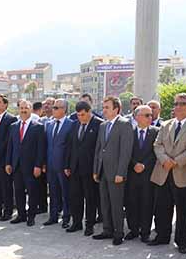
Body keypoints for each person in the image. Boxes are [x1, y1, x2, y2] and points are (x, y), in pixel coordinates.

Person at [148, 93, 186, 254]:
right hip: (163, 172)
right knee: (162, 208)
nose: (178, 106)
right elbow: (157, 145)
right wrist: (165, 160)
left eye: (183, 103)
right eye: (176, 103)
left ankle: (182, 241)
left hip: (183, 174)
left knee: (183, 211)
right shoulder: (166, 124)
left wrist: (175, 161)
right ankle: (162, 236)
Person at [92, 96, 134, 245]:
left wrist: (121, 173)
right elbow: (98, 149)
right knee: (104, 203)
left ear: (116, 109)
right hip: (103, 171)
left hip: (116, 173)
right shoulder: (103, 125)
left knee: (116, 204)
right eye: (103, 107)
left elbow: (126, 151)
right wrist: (96, 169)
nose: (103, 110)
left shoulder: (125, 124)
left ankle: (118, 232)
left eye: (107, 107)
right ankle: (107, 229)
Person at [64, 101, 103, 236]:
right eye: (78, 115)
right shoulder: (75, 125)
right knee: (75, 197)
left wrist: (97, 170)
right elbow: (70, 146)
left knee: (90, 198)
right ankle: (76, 223)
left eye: (83, 114)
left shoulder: (99, 124)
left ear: (89, 112)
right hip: (75, 168)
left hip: (90, 169)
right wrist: (67, 165)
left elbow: (100, 149)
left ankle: (90, 225)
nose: (81, 117)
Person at [5, 100, 45, 226]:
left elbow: (41, 148)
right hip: (16, 166)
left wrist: (38, 165)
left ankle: (31, 216)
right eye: (21, 108)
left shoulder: (38, 127)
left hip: (31, 166)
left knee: (32, 192)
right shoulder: (13, 126)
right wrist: (8, 163)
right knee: (18, 191)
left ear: (31, 109)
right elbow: (10, 147)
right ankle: (21, 215)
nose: (23, 110)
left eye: (26, 108)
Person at [125, 105, 159, 242]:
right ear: (136, 117)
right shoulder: (129, 133)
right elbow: (126, 152)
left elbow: (155, 152)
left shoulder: (156, 132)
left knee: (147, 203)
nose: (150, 117)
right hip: (132, 174)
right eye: (146, 115)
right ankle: (133, 230)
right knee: (131, 203)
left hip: (148, 174)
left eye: (150, 115)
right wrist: (134, 164)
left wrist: (144, 164)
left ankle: (145, 232)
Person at [44, 99, 75, 228]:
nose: (53, 109)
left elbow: (72, 147)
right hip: (50, 164)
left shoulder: (71, 124)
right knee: (53, 191)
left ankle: (67, 217)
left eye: (56, 107)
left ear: (64, 109)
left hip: (64, 165)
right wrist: (44, 163)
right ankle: (53, 216)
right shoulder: (49, 124)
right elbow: (46, 145)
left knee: (66, 192)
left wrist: (69, 165)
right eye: (54, 107)